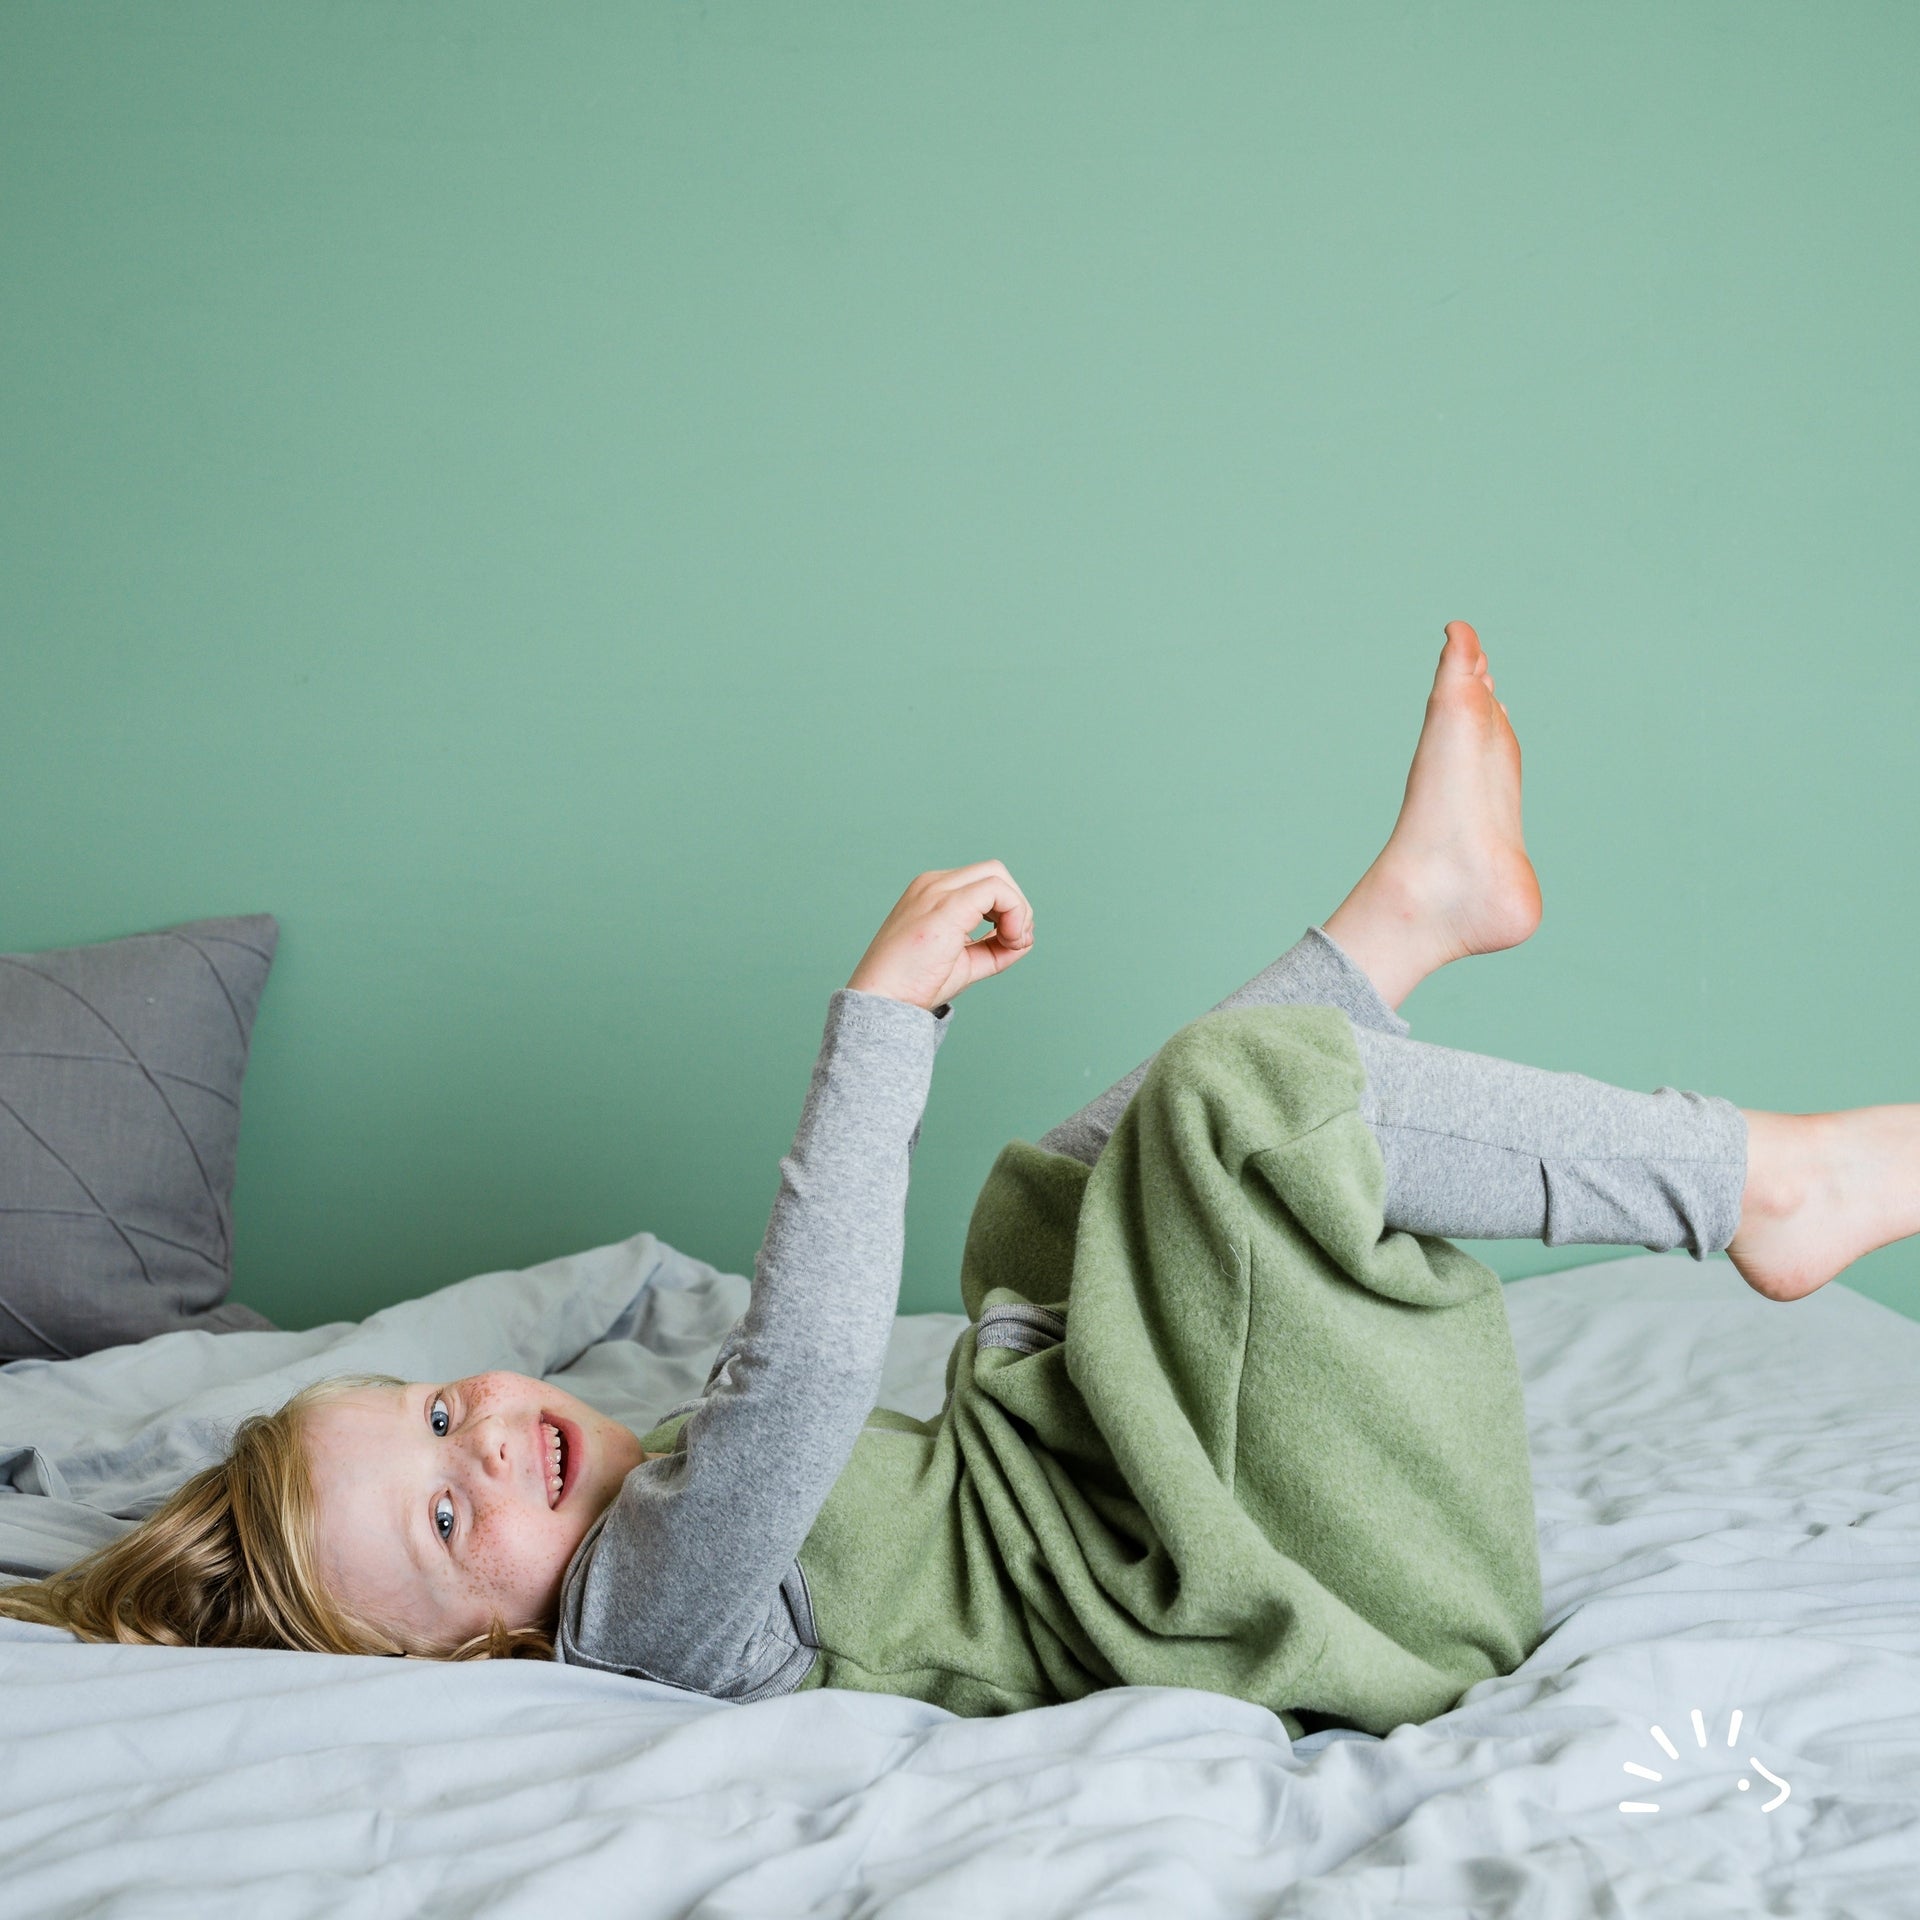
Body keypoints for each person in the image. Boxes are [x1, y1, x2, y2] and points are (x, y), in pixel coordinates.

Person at [6, 622, 1916, 1736]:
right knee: (1246, 1099)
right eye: (442, 1519)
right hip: (1348, 1591)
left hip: (1206, 1502)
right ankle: (1756, 1187)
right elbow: (811, 1370)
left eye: (438, 1410)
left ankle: (1400, 926)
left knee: (1044, 1213)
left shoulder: (622, 1519)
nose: (488, 1442)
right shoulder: (641, 1620)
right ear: (482, 1647)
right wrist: (877, 1025)